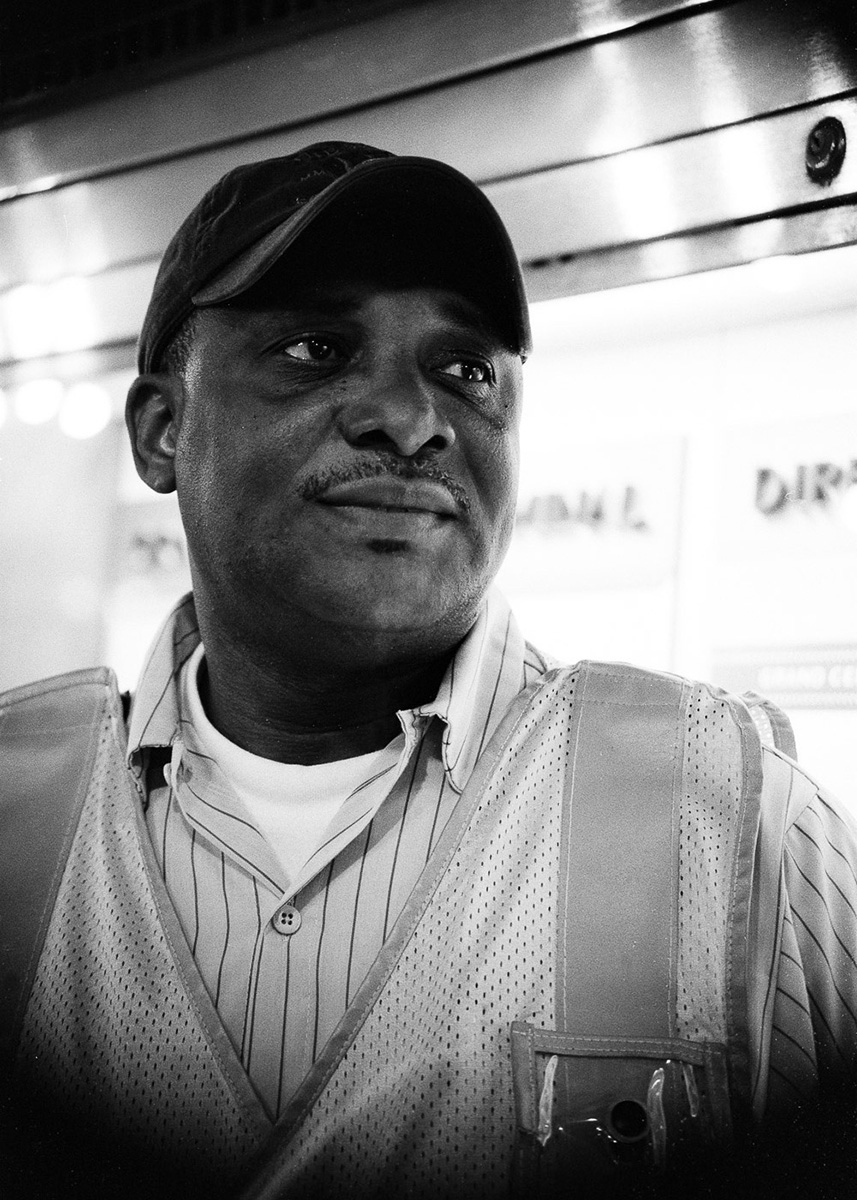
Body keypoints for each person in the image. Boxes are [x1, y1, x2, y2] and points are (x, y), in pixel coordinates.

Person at [1, 140, 856, 1200]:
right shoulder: (13, 814)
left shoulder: (737, 819)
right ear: (162, 430)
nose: (409, 420)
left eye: (464, 370)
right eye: (314, 349)